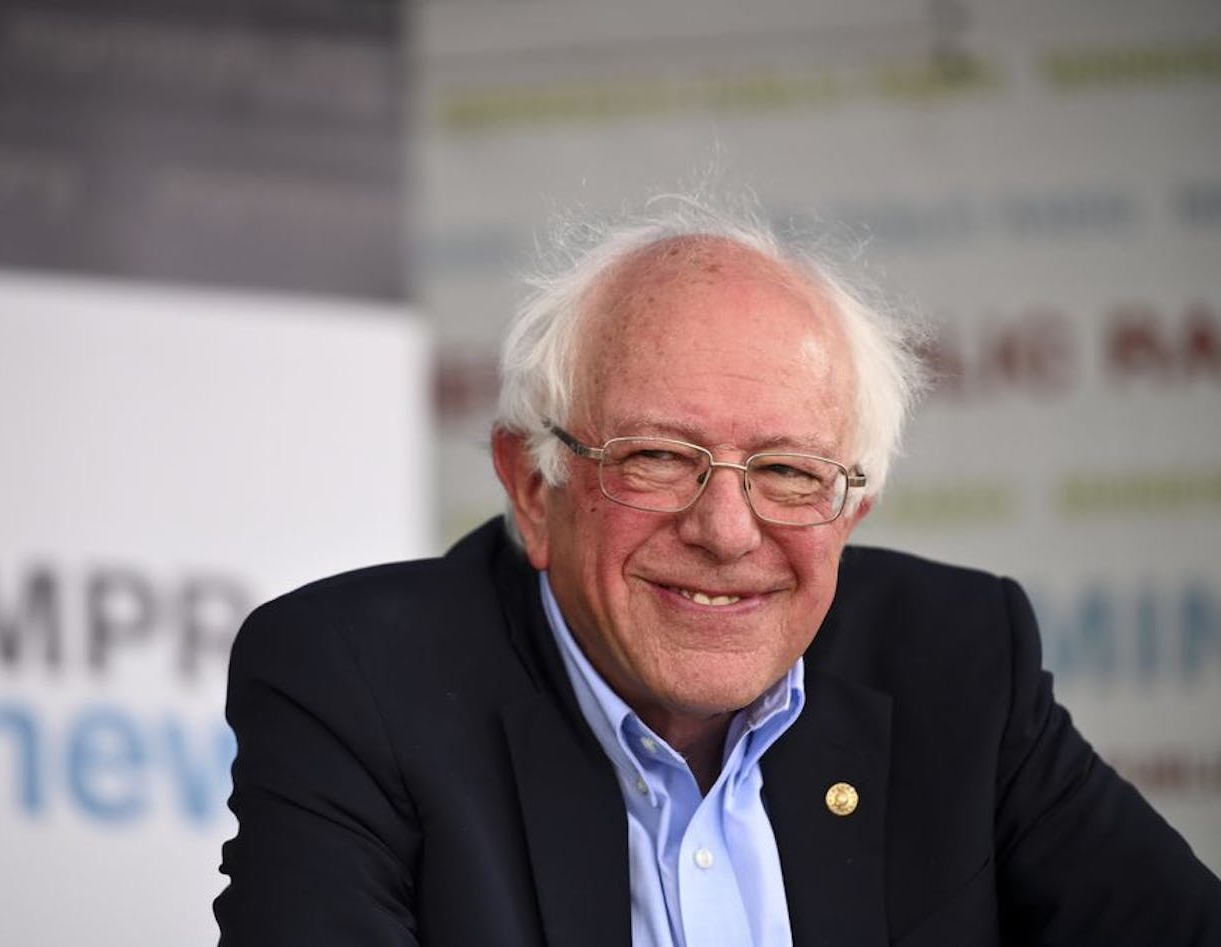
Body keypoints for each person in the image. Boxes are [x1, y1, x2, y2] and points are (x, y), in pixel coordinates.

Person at [214, 196, 1221, 946]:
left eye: (788, 471)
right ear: (532, 486)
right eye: (655, 456)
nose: (726, 529)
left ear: (850, 506)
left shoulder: (957, 663)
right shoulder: (349, 678)